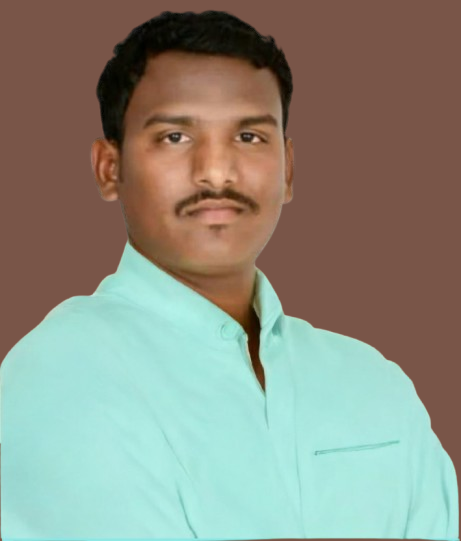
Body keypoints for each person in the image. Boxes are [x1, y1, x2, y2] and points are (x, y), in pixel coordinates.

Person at [0, 9, 458, 541]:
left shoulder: (374, 383)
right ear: (109, 168)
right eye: (175, 136)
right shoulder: (59, 372)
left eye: (248, 136)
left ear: (288, 169)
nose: (216, 172)